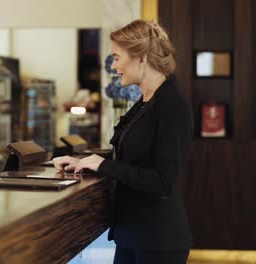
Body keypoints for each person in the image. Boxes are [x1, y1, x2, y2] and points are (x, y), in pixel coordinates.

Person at [53, 20, 192, 264]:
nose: (113, 66)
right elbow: (131, 158)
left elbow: (163, 181)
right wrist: (85, 161)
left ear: (141, 58)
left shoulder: (172, 103)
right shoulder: (146, 101)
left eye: (117, 57)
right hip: (133, 237)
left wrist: (103, 165)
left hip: (158, 241)